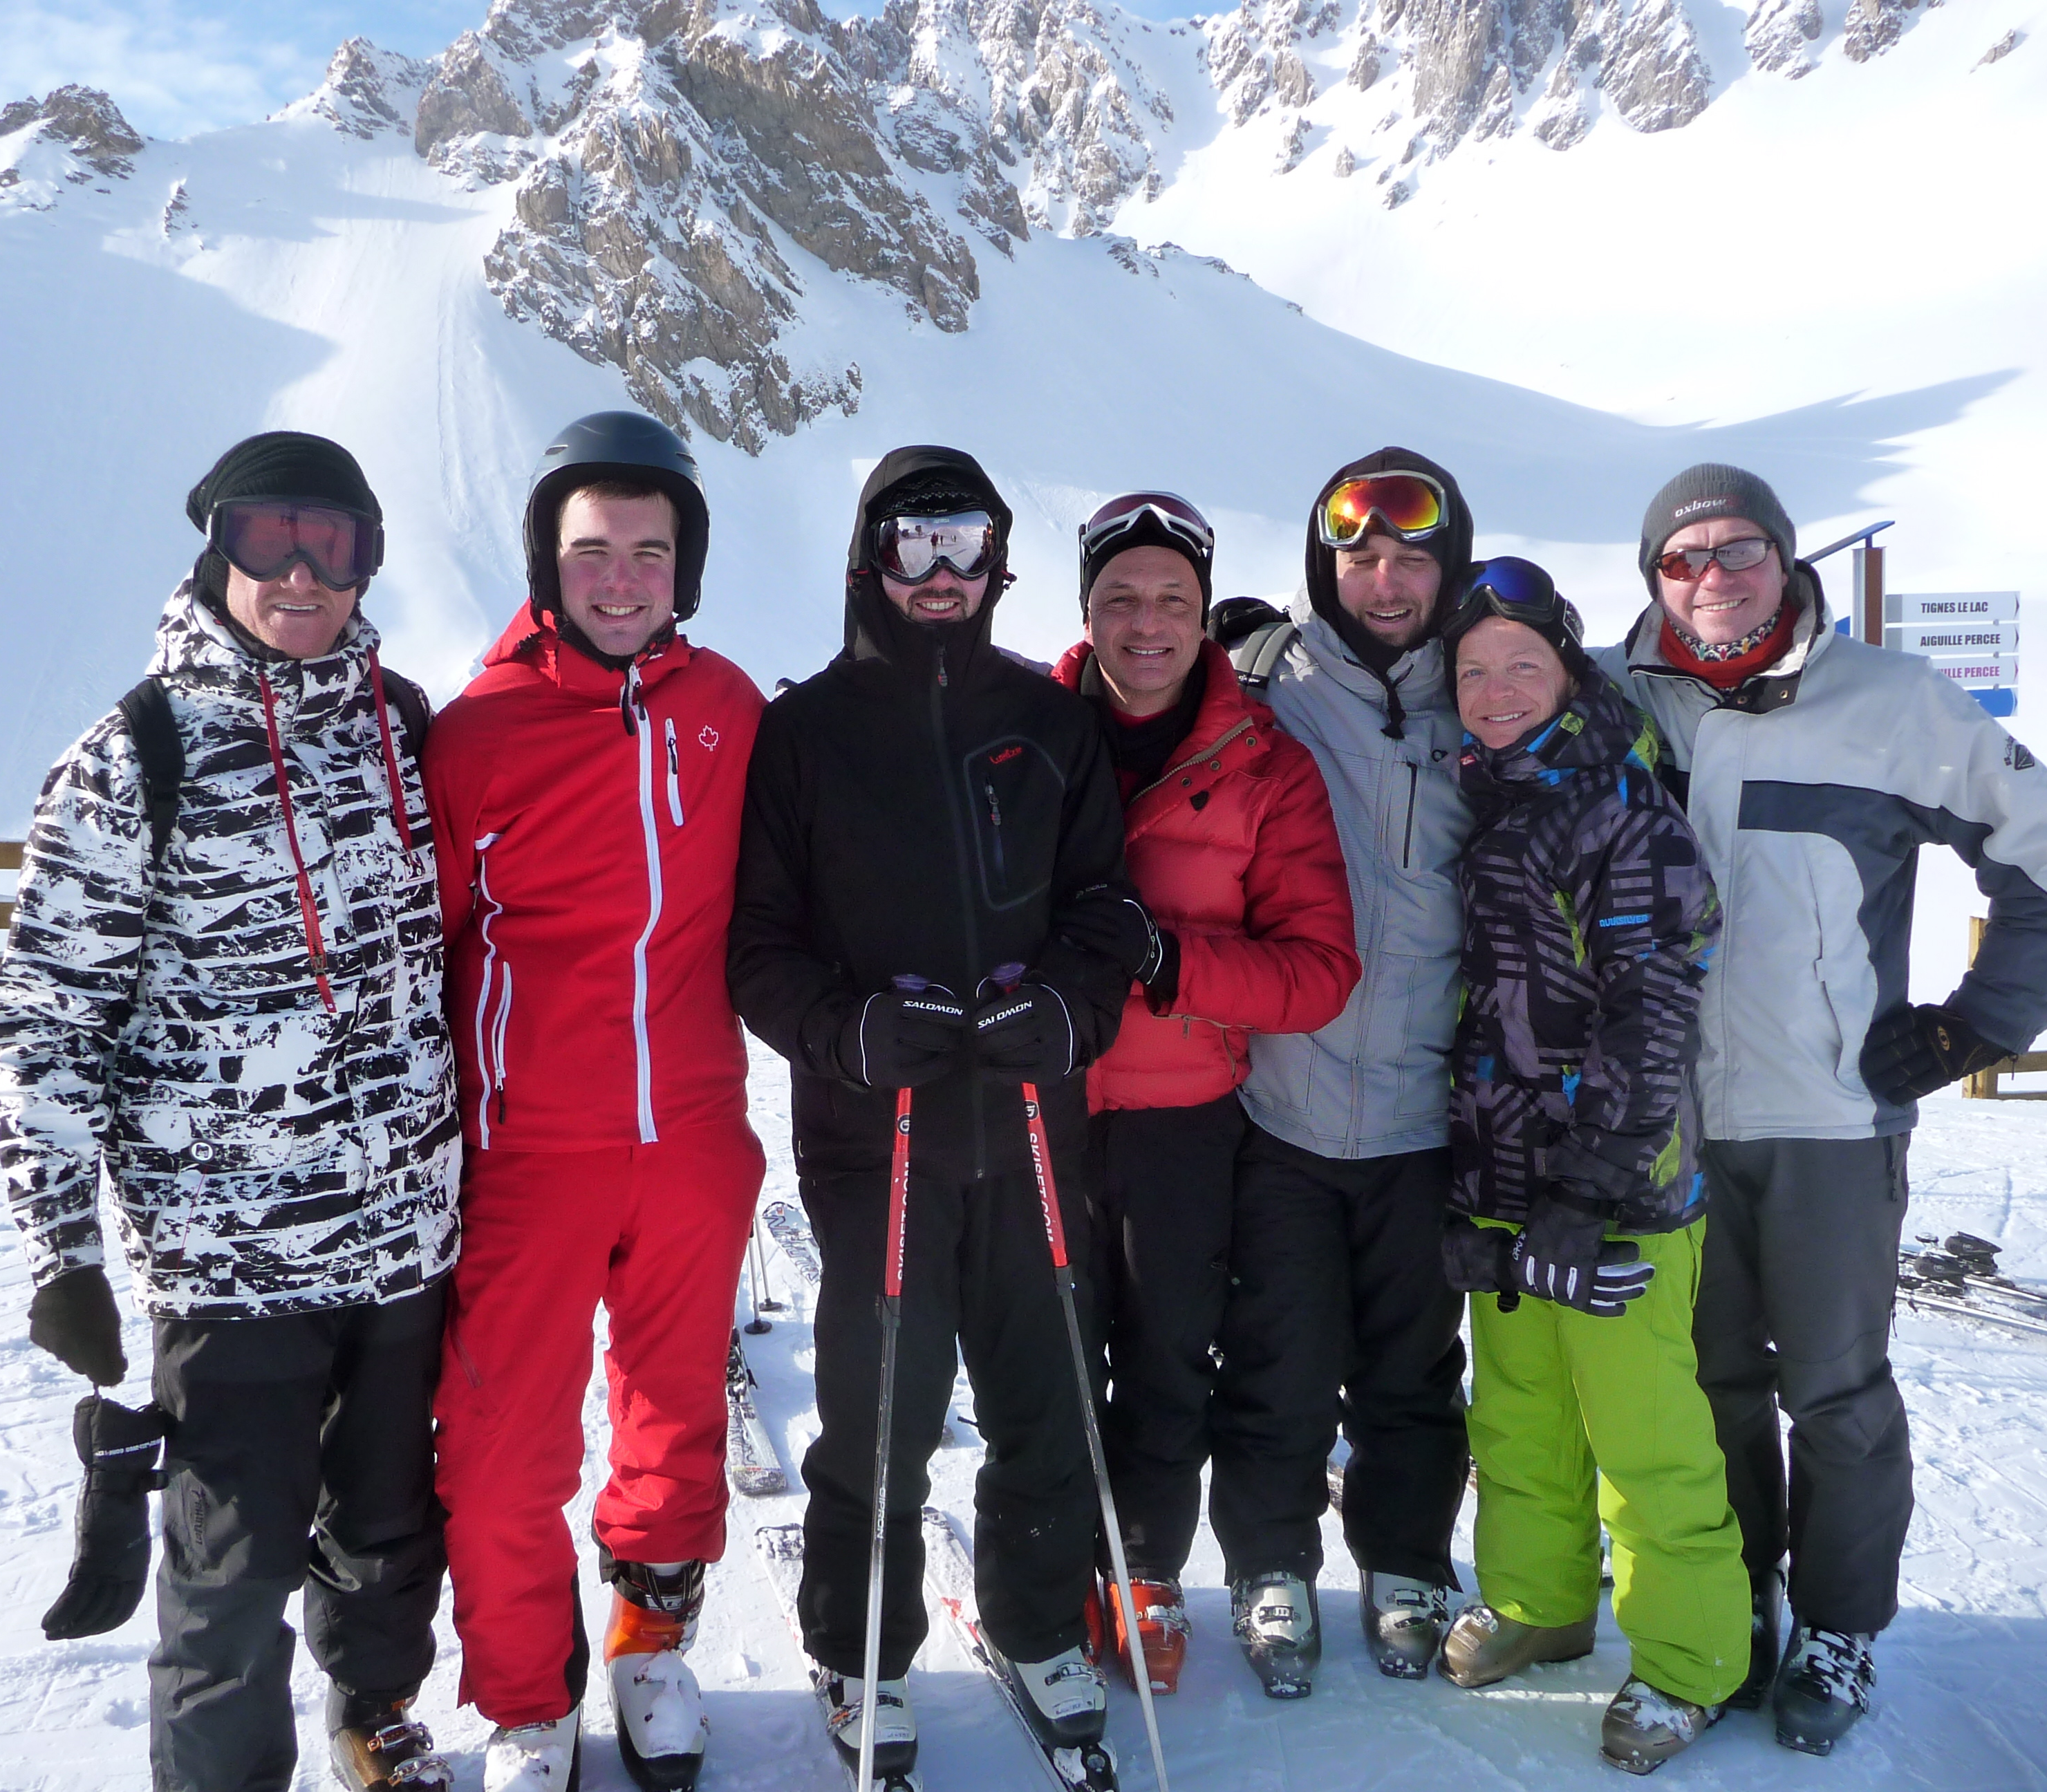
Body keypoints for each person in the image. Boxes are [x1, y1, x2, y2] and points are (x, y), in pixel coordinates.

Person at [0, 431, 460, 1791]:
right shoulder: (138, 752)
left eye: (333, 543)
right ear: (215, 552)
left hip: (408, 1236)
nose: (301, 573)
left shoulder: (404, 725)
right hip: (231, 1261)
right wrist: (62, 1251)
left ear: (368, 562)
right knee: (232, 1569)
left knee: (388, 1527)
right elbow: (44, 1020)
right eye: (267, 539)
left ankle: (375, 1714)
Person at [1599, 465, 2047, 1755]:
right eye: (1682, 558)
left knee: (1835, 1391)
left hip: (1827, 1117)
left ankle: (1838, 1625)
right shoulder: (1611, 698)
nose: (1713, 577)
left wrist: (1979, 1023)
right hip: (1666, 1121)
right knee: (1707, 1385)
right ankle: (1734, 1600)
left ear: (1785, 559)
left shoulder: (1891, 703)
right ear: (1653, 578)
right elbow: (1463, 709)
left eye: (1739, 549)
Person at [728, 447, 1152, 1783]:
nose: (940, 573)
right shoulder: (807, 733)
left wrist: (1071, 1009)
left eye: (964, 543)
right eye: (913, 544)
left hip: (1029, 1123)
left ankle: (1036, 1621)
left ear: (998, 558)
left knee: (1044, 1395)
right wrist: (845, 1030)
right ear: (870, 557)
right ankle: (860, 1645)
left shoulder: (1048, 720)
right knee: (883, 1412)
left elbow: (1108, 907)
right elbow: (758, 945)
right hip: (882, 1135)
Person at [422, 413, 767, 1792]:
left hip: (693, 1134)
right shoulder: (478, 733)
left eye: (650, 552)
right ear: (543, 563)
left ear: (688, 567)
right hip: (531, 1146)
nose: (621, 579)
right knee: (503, 1441)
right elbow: (423, 946)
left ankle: (649, 1645)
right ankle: (525, 1699)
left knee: (674, 1416)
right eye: (591, 552)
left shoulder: (730, 709)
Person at [1432, 559, 1746, 1775]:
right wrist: (1478, 1189)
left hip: (1621, 1197)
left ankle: (1689, 1662)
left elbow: (1652, 1014)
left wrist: (1588, 1190)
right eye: (1473, 672)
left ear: (1570, 674)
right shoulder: (1497, 800)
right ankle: (1541, 1603)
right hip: (1509, 1188)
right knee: (1520, 1421)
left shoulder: (1623, 809)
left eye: (1523, 664)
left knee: (1645, 1438)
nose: (1496, 690)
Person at [1050, 492, 1361, 1692]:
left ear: (1205, 613)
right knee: (1044, 1360)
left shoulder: (1264, 762)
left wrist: (1169, 961)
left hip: (1181, 1116)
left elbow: (1319, 971)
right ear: (1086, 609)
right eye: (1121, 597)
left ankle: (1144, 1568)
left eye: (1173, 600)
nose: (1148, 624)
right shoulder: (1022, 730)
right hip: (1037, 1101)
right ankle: (1048, 1570)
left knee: (1169, 1357)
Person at [1204, 449, 1477, 1690]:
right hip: (1283, 1103)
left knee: (1413, 1368)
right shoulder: (1264, 685)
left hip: (1428, 1111)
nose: (1386, 581)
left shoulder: (1485, 691)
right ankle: (1270, 1565)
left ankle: (1408, 1560)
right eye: (1360, 558)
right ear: (1327, 570)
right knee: (1279, 1357)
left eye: (1412, 559)